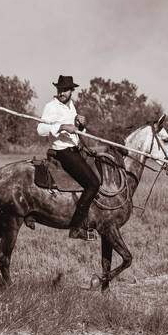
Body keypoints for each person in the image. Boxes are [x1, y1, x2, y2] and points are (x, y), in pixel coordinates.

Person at [36, 75, 99, 240]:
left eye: (65, 90)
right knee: (93, 184)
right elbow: (41, 129)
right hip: (63, 151)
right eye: (60, 89)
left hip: (76, 149)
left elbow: (77, 131)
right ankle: (77, 227)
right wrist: (62, 126)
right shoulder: (51, 106)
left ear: (72, 91)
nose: (62, 92)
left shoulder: (71, 105)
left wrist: (81, 124)